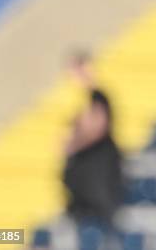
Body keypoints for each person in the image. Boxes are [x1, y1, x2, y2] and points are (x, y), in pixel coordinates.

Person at [63, 54, 123, 250]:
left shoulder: (98, 98)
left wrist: (73, 143)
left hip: (96, 192)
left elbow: (98, 125)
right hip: (86, 194)